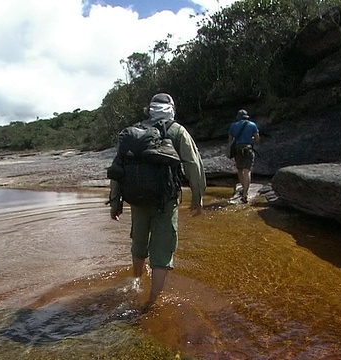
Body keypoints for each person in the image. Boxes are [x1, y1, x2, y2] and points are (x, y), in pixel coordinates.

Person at [109, 93, 206, 306]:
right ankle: (151, 303)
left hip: (137, 200)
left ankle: (135, 283)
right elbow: (193, 165)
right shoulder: (176, 130)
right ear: (171, 108)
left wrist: (115, 201)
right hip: (165, 201)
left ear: (150, 109)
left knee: (139, 243)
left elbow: (117, 169)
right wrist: (198, 198)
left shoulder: (133, 132)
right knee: (162, 251)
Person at [228, 109, 259, 203]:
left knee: (240, 169)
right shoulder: (252, 125)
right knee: (247, 170)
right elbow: (257, 138)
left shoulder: (233, 126)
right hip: (248, 148)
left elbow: (230, 140)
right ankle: (245, 192)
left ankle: (243, 187)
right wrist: (251, 140)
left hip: (238, 149)